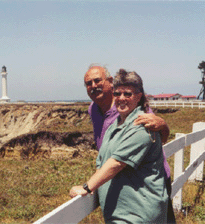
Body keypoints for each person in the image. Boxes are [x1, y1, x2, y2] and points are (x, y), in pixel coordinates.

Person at [70, 69, 168, 223]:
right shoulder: (110, 122)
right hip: (120, 211)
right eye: (118, 94)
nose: (122, 98)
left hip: (138, 212)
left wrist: (87, 187)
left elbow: (116, 163)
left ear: (138, 96)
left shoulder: (142, 123)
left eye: (128, 94)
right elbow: (102, 160)